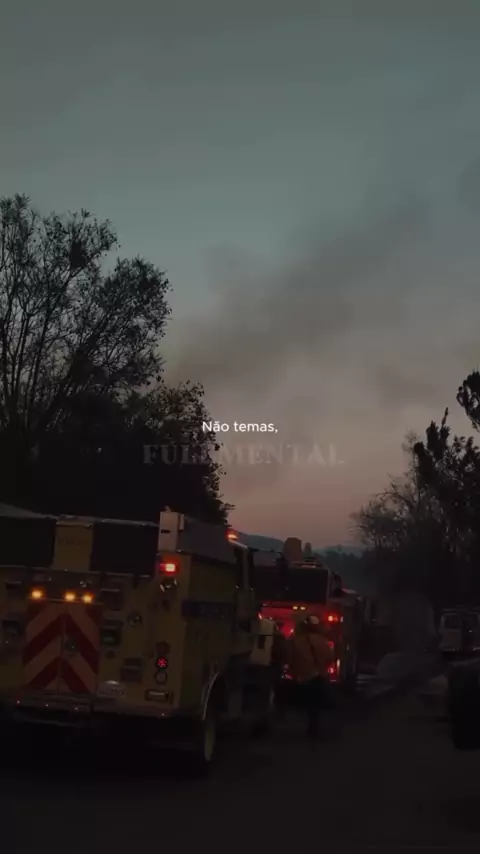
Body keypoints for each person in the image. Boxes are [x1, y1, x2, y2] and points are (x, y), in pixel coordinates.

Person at [286, 614, 334, 739]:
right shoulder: (321, 641)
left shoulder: (295, 641)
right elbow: (329, 657)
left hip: (303, 676)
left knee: (308, 702)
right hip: (319, 675)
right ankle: (314, 726)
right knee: (316, 703)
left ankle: (310, 725)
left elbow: (290, 658)